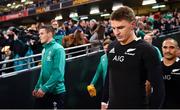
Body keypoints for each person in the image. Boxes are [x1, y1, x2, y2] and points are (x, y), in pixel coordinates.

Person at [104, 6, 165, 109]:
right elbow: (109, 76)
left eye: (120, 27)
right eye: (113, 28)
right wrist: (104, 101)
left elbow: (159, 88)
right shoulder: (111, 47)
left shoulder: (147, 50)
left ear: (132, 24)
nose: (116, 32)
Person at [32, 25, 66, 109]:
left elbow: (58, 73)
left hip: (56, 92)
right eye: (39, 34)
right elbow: (43, 71)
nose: (39, 36)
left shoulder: (58, 49)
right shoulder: (44, 50)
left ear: (50, 34)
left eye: (42, 33)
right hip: (44, 91)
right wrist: (37, 87)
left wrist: (44, 88)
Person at [161, 38, 180, 108]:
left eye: (171, 47)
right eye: (165, 47)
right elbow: (148, 86)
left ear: (177, 49)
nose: (168, 50)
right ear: (162, 48)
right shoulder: (155, 66)